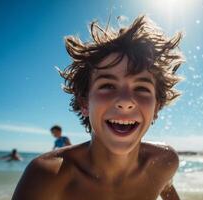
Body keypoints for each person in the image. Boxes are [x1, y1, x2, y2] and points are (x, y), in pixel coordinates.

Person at [12, 15, 184, 200]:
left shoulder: (163, 162)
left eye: (141, 88)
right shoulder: (47, 176)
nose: (125, 101)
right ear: (84, 102)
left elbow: (168, 191)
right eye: (108, 86)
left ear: (156, 107)